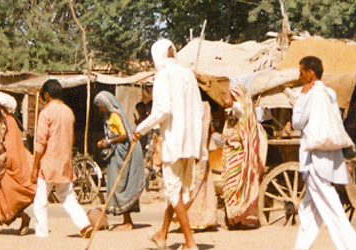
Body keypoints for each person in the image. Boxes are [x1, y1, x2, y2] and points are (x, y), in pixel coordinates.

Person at [134, 38, 205, 250]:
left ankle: (190, 242)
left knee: (174, 192)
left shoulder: (163, 75)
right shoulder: (188, 74)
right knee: (178, 192)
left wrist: (140, 129)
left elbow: (162, 110)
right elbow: (198, 109)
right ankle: (162, 235)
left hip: (174, 140)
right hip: (190, 141)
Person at [291, 56, 356, 250]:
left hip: (315, 158)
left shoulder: (311, 94)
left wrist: (301, 97)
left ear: (310, 73)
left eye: (301, 72)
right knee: (308, 211)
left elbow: (298, 122)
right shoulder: (330, 93)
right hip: (327, 157)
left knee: (332, 209)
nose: (300, 77)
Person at [30, 79, 93, 238]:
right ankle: (84, 225)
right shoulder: (68, 112)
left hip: (48, 163)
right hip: (64, 161)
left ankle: (42, 233)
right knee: (68, 197)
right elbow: (71, 139)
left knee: (40, 201)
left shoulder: (46, 113)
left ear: (47, 94)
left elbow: (40, 142)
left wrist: (35, 166)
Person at [0, 92, 37, 234]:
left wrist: (6, 156)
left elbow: (14, 145)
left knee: (10, 196)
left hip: (8, 165)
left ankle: (24, 217)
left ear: (2, 110)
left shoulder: (10, 122)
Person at [93, 91, 146, 231]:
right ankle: (125, 219)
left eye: (100, 106)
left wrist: (109, 141)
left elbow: (124, 135)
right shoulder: (108, 116)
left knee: (120, 185)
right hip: (114, 155)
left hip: (121, 155)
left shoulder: (116, 116)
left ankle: (128, 221)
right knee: (115, 185)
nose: (100, 109)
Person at [220, 84, 267, 229]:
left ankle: (236, 217)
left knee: (234, 186)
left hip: (239, 155)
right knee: (230, 186)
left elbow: (228, 103)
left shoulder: (242, 109)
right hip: (232, 153)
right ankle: (234, 217)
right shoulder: (240, 112)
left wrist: (227, 94)